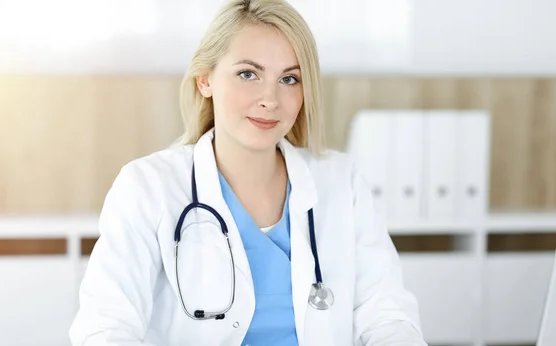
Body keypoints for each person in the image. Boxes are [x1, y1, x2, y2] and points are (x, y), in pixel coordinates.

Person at [69, 0, 427, 345]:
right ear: (204, 80)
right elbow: (104, 328)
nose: (270, 99)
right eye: (248, 74)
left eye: (289, 79)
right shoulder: (147, 187)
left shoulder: (341, 182)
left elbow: (386, 315)